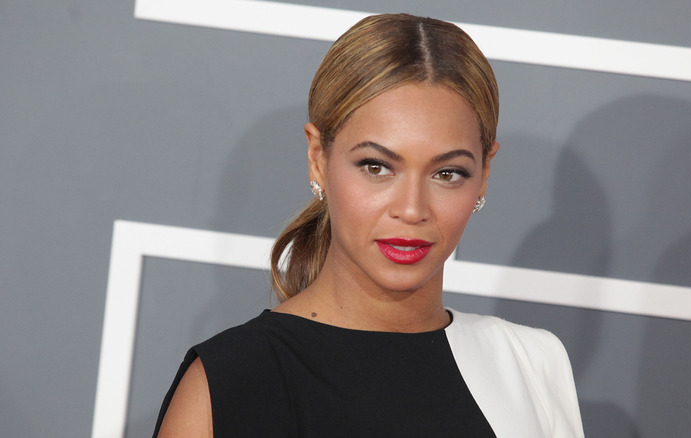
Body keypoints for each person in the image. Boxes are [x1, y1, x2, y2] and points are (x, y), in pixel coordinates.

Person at [153, 13, 583, 438]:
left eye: (447, 173)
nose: (412, 210)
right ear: (318, 158)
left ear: (485, 172)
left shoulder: (532, 365)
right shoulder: (231, 382)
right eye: (376, 167)